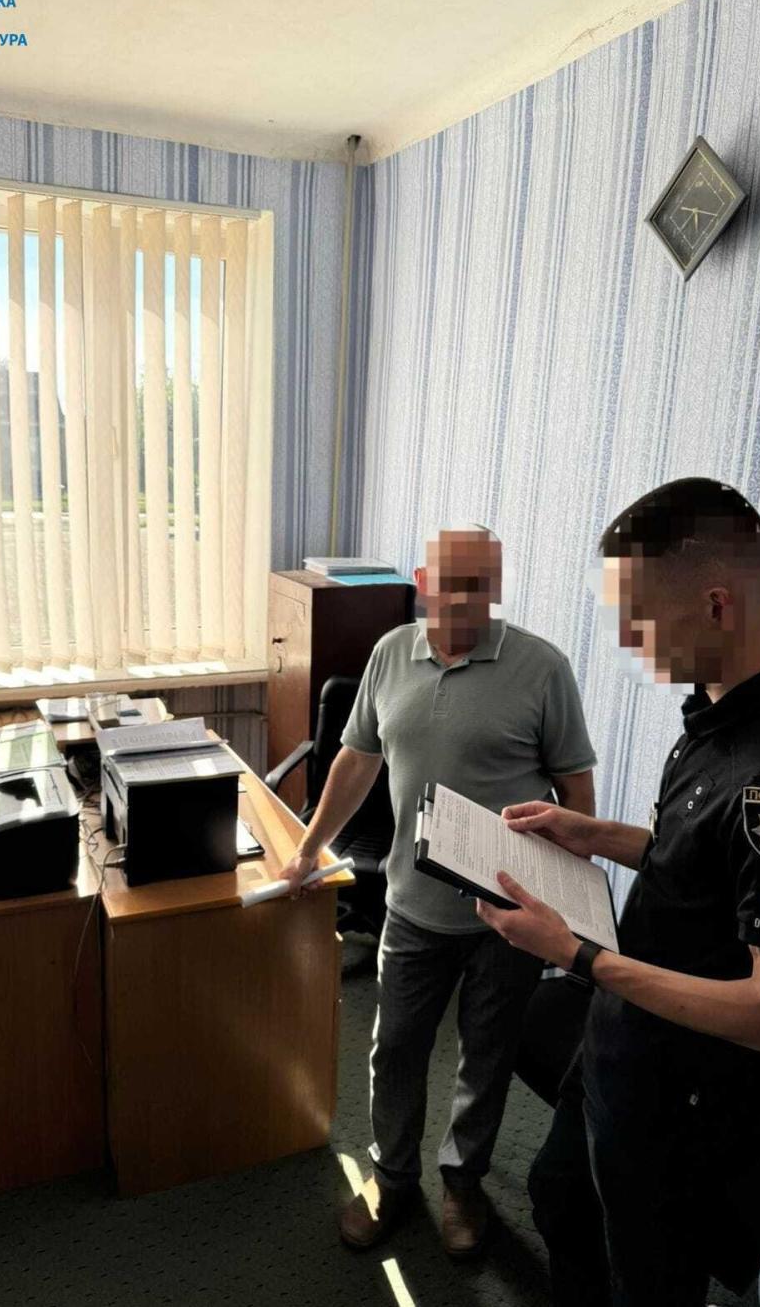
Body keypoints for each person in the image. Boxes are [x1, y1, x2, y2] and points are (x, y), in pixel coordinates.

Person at [475, 479, 760, 1306]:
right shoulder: (711, 712)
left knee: (649, 1279)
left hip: (685, 1104)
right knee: (560, 1197)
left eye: (640, 616)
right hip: (620, 1042)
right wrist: (593, 834)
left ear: (717, 605)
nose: (626, 639)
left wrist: (577, 955)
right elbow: (695, 863)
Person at [281, 524, 596, 1257]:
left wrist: (567, 902)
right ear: (424, 582)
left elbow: (576, 795)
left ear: (497, 586)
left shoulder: (542, 668)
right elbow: (354, 762)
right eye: (452, 584)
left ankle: (462, 1183)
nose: (465, 600)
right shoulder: (391, 654)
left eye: (481, 585)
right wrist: (307, 849)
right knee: (394, 1048)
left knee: (486, 1056)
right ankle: (393, 1176)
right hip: (411, 905)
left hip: (507, 919)